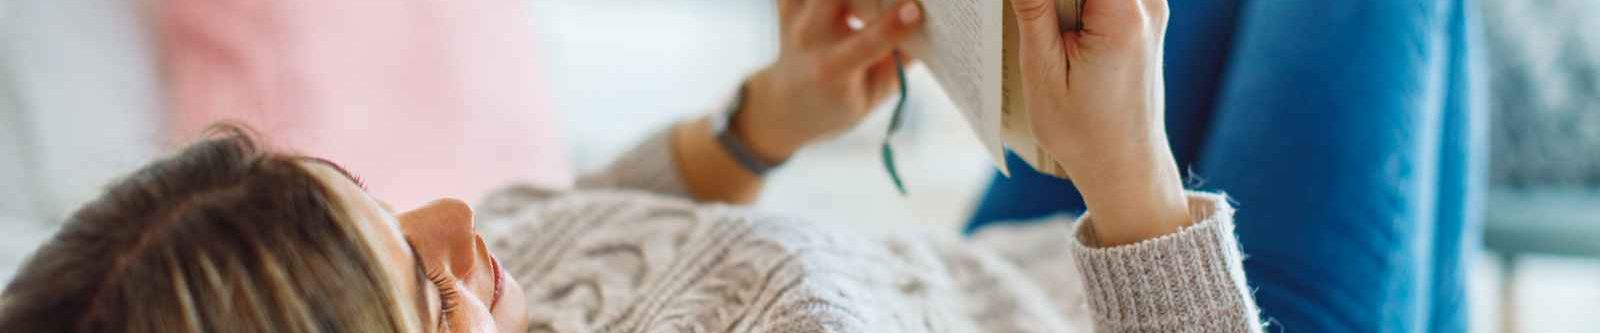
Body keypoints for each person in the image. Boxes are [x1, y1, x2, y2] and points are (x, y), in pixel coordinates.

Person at [0, 0, 1263, 331]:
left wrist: (766, 119)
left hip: (1020, 259)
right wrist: (1132, 184)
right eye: (427, 293)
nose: (458, 216)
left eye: (383, 205)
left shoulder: (494, 279)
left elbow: (582, 232)